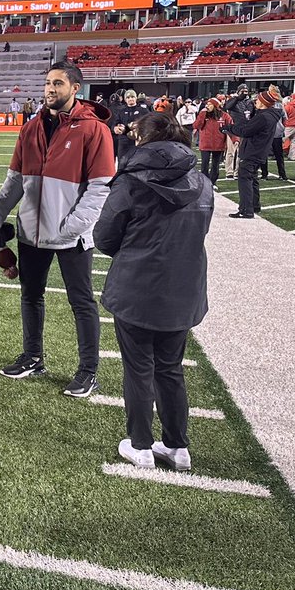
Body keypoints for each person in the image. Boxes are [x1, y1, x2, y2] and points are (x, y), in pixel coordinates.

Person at [0, 61, 116, 396]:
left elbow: (100, 186)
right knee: (31, 296)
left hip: (70, 236)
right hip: (31, 234)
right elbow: (14, 182)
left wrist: (71, 227)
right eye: (47, 83)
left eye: (58, 83)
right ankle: (33, 356)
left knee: (82, 302)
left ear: (75, 88)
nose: (50, 89)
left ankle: (88, 371)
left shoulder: (93, 129)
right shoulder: (31, 128)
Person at [94, 111, 213, 471]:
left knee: (139, 368)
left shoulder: (130, 182)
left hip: (137, 285)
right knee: (170, 368)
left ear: (143, 141)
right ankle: (178, 447)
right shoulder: (203, 182)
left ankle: (141, 445)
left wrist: (137, 251)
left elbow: (104, 237)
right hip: (183, 286)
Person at [221, 87, 282, 219]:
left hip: (252, 151)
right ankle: (254, 205)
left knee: (245, 179)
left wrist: (228, 128)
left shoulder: (264, 117)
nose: (256, 102)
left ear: (264, 103)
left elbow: (246, 131)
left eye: (258, 100)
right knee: (252, 179)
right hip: (259, 151)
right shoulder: (270, 115)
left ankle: (246, 210)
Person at [192, 97, 227, 190]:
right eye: (207, 104)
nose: (207, 106)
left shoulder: (224, 115)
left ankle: (213, 182)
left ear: (215, 106)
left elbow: (230, 125)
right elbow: (196, 125)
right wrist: (202, 114)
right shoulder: (203, 114)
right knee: (204, 165)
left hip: (218, 144)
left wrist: (235, 140)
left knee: (215, 165)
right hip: (205, 144)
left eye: (209, 104)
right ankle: (204, 182)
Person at [111, 89, 149, 169]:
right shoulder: (121, 111)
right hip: (123, 141)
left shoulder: (143, 110)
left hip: (137, 141)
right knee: (121, 164)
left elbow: (149, 123)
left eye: (132, 97)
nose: (130, 99)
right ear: (125, 99)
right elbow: (114, 123)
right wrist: (115, 128)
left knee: (136, 163)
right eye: (128, 97)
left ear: (136, 98)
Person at [221, 85, 252, 180]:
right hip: (233, 129)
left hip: (244, 129)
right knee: (231, 151)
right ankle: (229, 171)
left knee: (241, 152)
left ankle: (237, 171)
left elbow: (251, 114)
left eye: (246, 91)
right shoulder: (233, 100)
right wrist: (237, 99)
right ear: (238, 91)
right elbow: (227, 107)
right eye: (242, 91)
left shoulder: (249, 102)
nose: (244, 93)